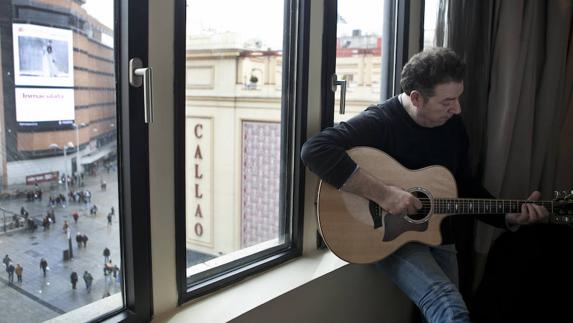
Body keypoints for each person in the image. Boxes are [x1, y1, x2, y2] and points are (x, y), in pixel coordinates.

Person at [300, 47, 549, 323]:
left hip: (438, 233)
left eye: (458, 99)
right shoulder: (381, 121)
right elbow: (314, 150)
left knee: (456, 308)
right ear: (416, 98)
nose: (457, 109)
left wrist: (506, 216)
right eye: (447, 101)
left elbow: (463, 185)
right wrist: (384, 195)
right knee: (450, 309)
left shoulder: (453, 126)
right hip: (386, 234)